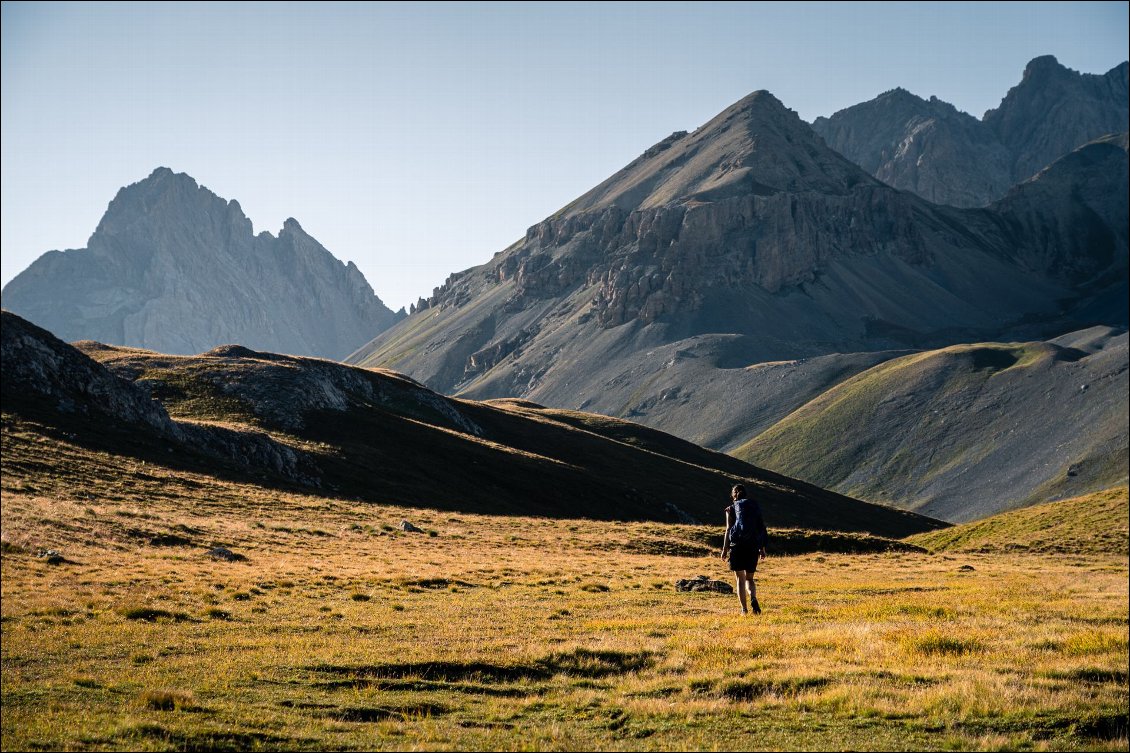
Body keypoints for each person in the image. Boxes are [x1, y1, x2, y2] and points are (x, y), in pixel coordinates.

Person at [721, 483, 768, 615]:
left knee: (740, 579)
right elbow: (760, 527)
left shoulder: (730, 509)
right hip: (752, 546)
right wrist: (762, 548)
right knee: (749, 579)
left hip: (737, 547)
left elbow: (728, 529)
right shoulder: (753, 507)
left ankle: (744, 610)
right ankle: (753, 597)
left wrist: (724, 549)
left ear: (733, 494)